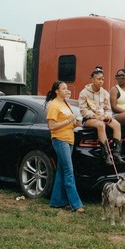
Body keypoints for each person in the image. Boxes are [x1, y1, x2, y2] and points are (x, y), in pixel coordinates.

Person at [45, 80, 85, 212]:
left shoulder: (66, 104)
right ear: (57, 91)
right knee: (69, 171)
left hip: (69, 139)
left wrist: (76, 122)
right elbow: (52, 126)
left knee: (62, 171)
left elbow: (69, 124)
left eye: (67, 88)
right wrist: (68, 120)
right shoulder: (54, 105)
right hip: (60, 139)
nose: (67, 90)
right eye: (64, 88)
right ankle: (76, 204)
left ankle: (56, 201)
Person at [78, 67, 123, 159]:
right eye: (99, 79)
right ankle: (105, 154)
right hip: (89, 119)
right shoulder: (84, 93)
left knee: (117, 124)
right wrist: (95, 116)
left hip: (103, 116)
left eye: (103, 79)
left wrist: (107, 116)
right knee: (100, 125)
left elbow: (108, 109)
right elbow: (83, 110)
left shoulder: (105, 93)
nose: (101, 81)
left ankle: (116, 152)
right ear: (92, 79)